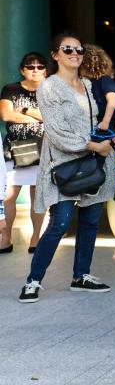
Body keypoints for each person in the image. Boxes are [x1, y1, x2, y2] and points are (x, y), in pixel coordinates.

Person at [18, 34, 115, 303]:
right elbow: (56, 130)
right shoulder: (48, 87)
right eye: (68, 49)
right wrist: (93, 146)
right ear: (55, 55)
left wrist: (104, 141)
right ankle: (33, 280)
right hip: (64, 163)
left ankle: (81, 276)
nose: (75, 53)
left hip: (94, 163)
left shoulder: (88, 84)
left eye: (79, 49)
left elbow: (102, 117)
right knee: (59, 223)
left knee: (91, 220)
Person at [1, 52, 48, 253]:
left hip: (43, 149)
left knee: (38, 196)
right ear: (23, 70)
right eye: (30, 66)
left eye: (39, 66)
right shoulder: (10, 89)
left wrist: (24, 111)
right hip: (15, 148)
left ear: (45, 70)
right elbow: (5, 115)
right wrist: (39, 116)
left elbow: (51, 117)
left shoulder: (51, 91)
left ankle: (35, 239)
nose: (35, 70)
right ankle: (6, 238)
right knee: (8, 195)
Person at [80, 45, 115, 135]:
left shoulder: (104, 80)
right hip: (97, 128)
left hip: (106, 129)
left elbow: (112, 102)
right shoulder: (88, 82)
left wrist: (105, 121)